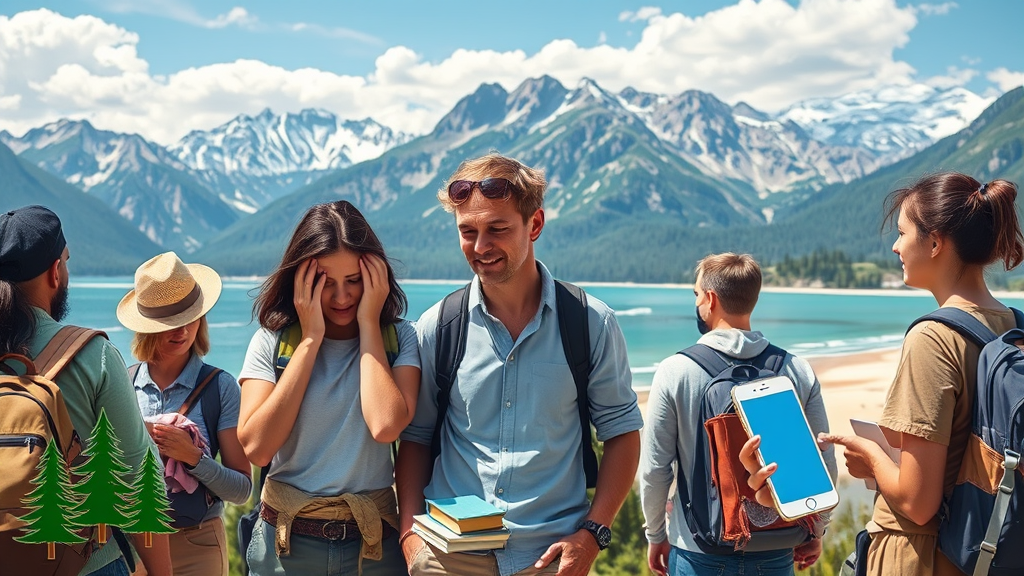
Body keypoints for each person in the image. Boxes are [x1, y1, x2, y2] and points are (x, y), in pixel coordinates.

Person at [395, 153, 644, 576]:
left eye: (497, 229)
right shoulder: (439, 325)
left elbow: (622, 433)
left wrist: (592, 535)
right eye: (467, 231)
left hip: (551, 559)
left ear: (536, 225)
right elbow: (415, 439)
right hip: (448, 557)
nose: (480, 246)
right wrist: (409, 539)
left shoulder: (590, 322)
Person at [794, 173, 1023, 576]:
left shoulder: (933, 338)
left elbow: (917, 501)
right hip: (986, 553)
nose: (897, 246)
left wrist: (872, 458)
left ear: (935, 243)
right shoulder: (1014, 327)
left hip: (921, 557)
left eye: (902, 233)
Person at [236, 200, 420, 575]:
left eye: (354, 281)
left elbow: (386, 425)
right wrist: (310, 340)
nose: (341, 298)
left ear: (377, 277)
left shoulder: (400, 338)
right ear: (300, 281)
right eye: (324, 283)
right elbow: (257, 446)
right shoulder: (271, 343)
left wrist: (369, 323)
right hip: (286, 546)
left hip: (373, 548)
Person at [0, 205, 173, 576]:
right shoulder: (92, 355)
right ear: (55, 273)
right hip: (84, 564)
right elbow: (136, 482)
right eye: (65, 260)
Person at [640, 253, 837, 576]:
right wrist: (816, 528)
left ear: (710, 299)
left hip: (698, 550)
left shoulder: (675, 371)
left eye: (696, 294)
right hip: (776, 546)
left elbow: (655, 470)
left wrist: (656, 535)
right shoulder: (796, 370)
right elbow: (822, 460)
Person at [115, 252, 252, 576]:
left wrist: (193, 458)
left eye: (188, 316)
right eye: (168, 322)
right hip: (132, 546)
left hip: (198, 544)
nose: (181, 331)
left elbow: (242, 490)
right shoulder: (122, 384)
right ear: (147, 327)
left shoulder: (221, 387)